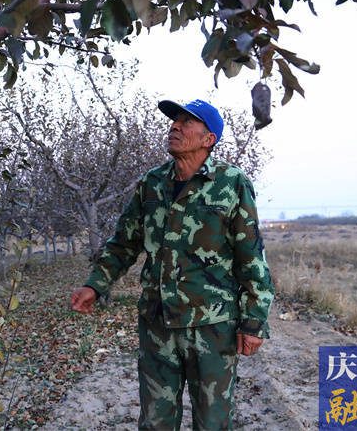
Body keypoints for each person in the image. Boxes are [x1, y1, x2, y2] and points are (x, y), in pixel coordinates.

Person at [70, 99, 274, 431]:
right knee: (154, 422)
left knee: (213, 422)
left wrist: (254, 322)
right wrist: (96, 284)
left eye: (185, 122)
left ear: (208, 139)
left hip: (211, 326)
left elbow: (251, 256)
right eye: (173, 121)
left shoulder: (232, 183)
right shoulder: (151, 184)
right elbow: (125, 242)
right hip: (157, 323)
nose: (174, 127)